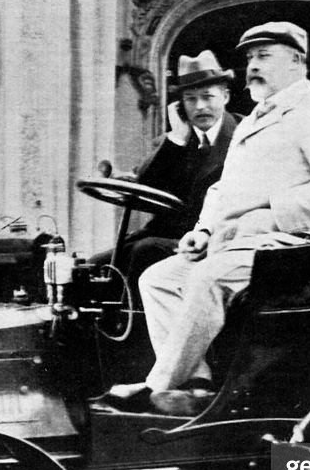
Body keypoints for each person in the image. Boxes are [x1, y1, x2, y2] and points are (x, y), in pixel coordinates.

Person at [102, 21, 310, 416]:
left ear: (296, 61)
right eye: (249, 59)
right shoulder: (258, 117)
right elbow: (223, 188)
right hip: (245, 244)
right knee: (157, 278)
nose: (253, 66)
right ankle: (198, 384)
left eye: (264, 56)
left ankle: (158, 385)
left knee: (209, 277)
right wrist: (202, 230)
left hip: (304, 245)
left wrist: (271, 217)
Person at [90, 50, 240, 291]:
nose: (200, 106)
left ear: (225, 96)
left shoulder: (244, 135)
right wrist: (177, 140)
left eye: (207, 96)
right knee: (95, 265)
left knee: (145, 251)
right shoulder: (173, 142)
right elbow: (142, 188)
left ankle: (139, 327)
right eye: (190, 99)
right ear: (180, 105)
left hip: (212, 238)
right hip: (165, 234)